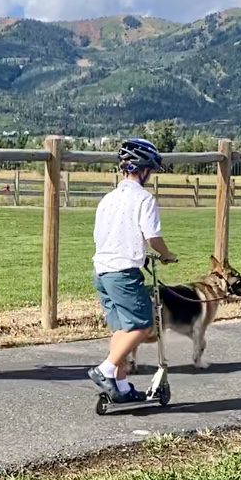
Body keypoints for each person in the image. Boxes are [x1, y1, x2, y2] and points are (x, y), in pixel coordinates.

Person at [87, 138, 178, 403]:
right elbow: (153, 237)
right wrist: (166, 255)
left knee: (122, 329)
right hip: (123, 273)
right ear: (144, 169)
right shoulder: (144, 199)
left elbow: (105, 235)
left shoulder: (108, 199)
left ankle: (121, 385)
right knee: (141, 324)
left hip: (102, 271)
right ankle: (105, 370)